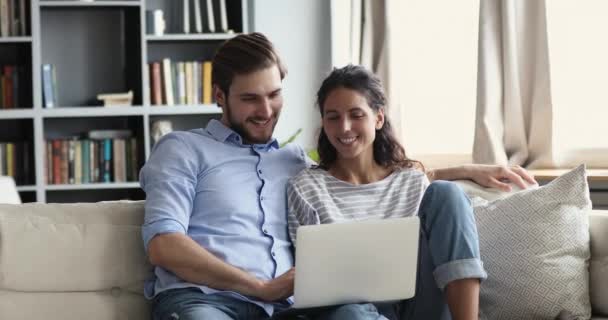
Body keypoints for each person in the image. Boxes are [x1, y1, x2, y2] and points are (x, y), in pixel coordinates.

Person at [140, 32, 536, 320]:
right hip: (205, 302)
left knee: (446, 196)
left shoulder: (292, 161)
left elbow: (373, 172)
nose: (266, 110)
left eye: (274, 94)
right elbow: (163, 245)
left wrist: (471, 170)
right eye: (249, 99)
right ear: (220, 96)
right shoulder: (181, 149)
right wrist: (260, 287)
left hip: (282, 310)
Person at [286, 65, 537, 320]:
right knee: (349, 315)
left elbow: (439, 211)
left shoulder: (411, 181)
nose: (345, 127)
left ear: (379, 118)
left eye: (356, 114)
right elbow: (309, 280)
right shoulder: (305, 188)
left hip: (418, 307)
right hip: (351, 314)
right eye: (333, 117)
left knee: (446, 193)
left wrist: (463, 171)